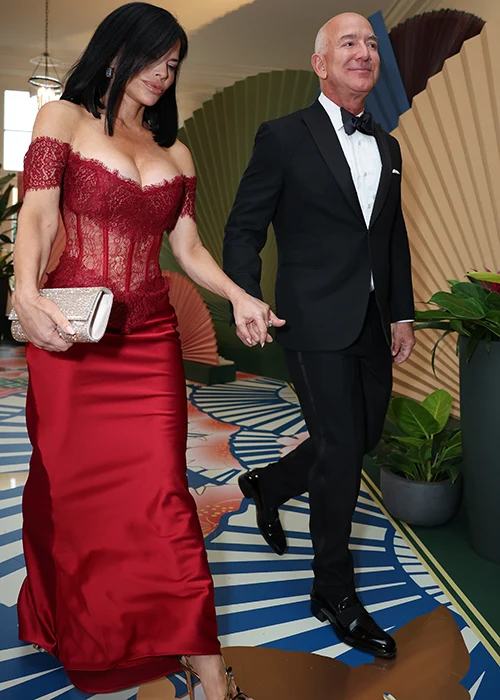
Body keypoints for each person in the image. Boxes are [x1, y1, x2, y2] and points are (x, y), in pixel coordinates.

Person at [13, 3, 271, 698]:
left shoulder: (175, 152)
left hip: (149, 341)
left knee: (161, 497)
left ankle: (210, 672)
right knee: (69, 494)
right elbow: (36, 217)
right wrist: (24, 291)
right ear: (119, 49)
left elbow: (186, 251)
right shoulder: (60, 121)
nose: (166, 72)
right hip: (73, 339)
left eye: (175, 64)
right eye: (158, 57)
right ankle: (68, 615)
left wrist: (241, 296)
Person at [223, 12, 415, 659]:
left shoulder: (386, 145)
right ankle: (333, 589)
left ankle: (267, 486)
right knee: (338, 450)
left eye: (370, 44)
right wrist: (245, 293)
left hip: (370, 320)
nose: (363, 52)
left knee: (357, 439)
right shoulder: (283, 136)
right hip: (310, 319)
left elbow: (391, 239)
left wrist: (402, 312)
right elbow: (244, 227)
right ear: (321, 64)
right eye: (348, 44)